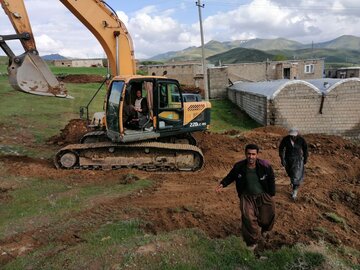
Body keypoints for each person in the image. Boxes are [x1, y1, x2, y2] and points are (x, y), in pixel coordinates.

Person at [215, 144, 276, 250]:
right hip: (246, 197)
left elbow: (271, 178)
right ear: (245, 154)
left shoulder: (265, 166)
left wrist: (271, 193)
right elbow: (231, 176)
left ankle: (265, 230)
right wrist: (223, 183)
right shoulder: (239, 166)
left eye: (253, 154)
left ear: (257, 154)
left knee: (268, 216)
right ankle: (252, 243)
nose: (251, 157)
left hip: (263, 195)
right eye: (249, 154)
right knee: (248, 219)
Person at [279, 128, 308, 200]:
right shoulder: (285, 139)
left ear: (297, 134)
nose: (293, 137)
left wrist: (306, 158)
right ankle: (293, 183)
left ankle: (294, 192)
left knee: (296, 175)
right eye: (291, 136)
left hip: (297, 160)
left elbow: (305, 149)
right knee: (290, 173)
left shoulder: (301, 140)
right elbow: (281, 148)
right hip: (288, 159)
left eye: (294, 136)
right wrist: (282, 159)